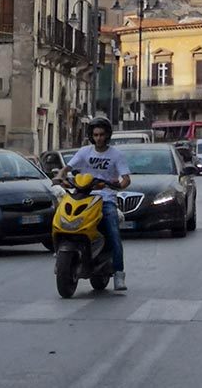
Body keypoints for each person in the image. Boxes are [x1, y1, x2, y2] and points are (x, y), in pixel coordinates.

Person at [59, 116, 131, 292]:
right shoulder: (84, 152)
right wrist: (60, 176)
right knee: (62, 216)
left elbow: (126, 179)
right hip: (83, 196)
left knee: (113, 232)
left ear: (107, 135)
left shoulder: (116, 155)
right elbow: (67, 168)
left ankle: (119, 273)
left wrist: (117, 185)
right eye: (95, 134)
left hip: (105, 198)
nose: (99, 137)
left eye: (102, 134)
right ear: (91, 136)